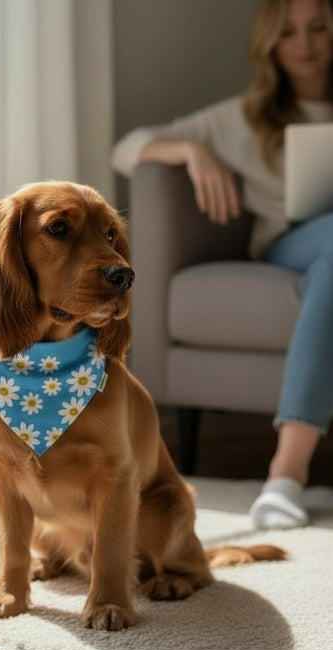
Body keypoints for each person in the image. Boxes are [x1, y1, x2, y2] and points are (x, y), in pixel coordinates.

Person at [111, 0, 333, 529]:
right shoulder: (240, 117)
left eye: (318, 28)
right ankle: (287, 470)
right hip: (293, 239)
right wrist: (191, 149)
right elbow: (127, 148)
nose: (304, 43)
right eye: (289, 32)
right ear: (269, 43)